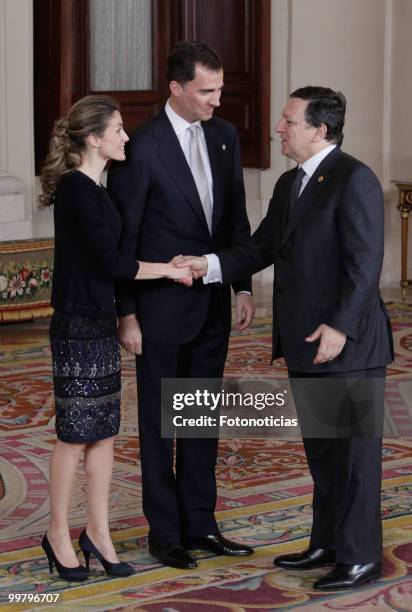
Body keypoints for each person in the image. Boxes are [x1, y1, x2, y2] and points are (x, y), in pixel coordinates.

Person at [175, 86, 394, 589]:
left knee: (354, 458)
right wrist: (208, 265)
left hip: (348, 343)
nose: (279, 129)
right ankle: (328, 542)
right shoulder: (289, 183)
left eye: (288, 121)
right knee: (323, 452)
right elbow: (259, 248)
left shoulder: (354, 179)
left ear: (320, 130)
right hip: (306, 341)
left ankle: (360, 558)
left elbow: (365, 267)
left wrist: (339, 326)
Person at [107, 42, 255, 569]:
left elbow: (235, 218)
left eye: (219, 89)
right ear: (176, 88)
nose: (217, 100)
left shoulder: (223, 136)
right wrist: (126, 313)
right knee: (160, 425)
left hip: (214, 304)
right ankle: (164, 533)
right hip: (157, 312)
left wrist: (242, 286)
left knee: (201, 419)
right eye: (206, 91)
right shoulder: (140, 148)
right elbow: (122, 242)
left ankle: (202, 524)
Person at [39, 95, 192, 581]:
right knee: (73, 436)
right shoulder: (76, 191)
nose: (127, 137)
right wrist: (167, 270)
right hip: (77, 326)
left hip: (99, 323)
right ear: (94, 137)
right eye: (119, 129)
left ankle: (98, 533)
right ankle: (57, 533)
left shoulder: (97, 189)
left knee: (103, 433)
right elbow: (113, 263)